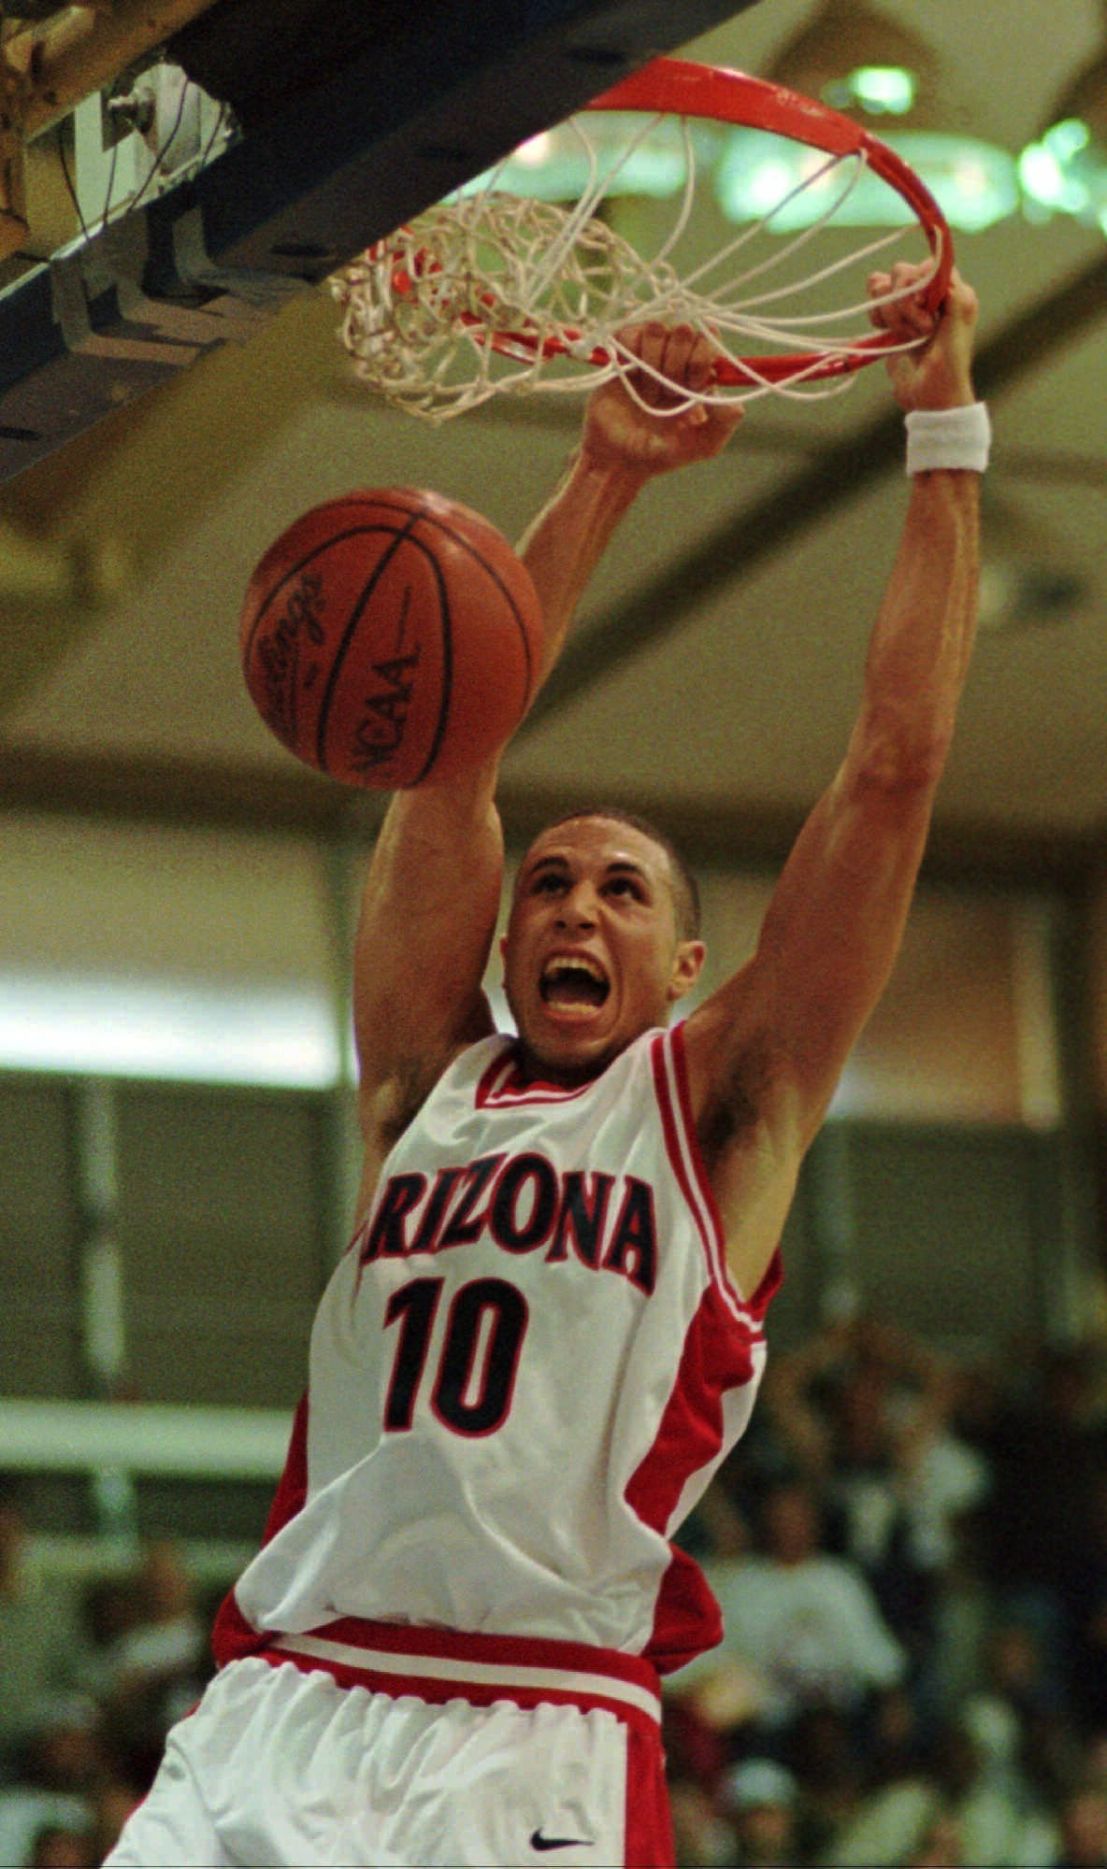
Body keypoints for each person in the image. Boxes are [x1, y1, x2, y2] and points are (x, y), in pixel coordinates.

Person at [105, 260, 986, 1869]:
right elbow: (452, 756)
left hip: (536, 1725)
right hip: (290, 1697)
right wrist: (604, 474)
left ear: (687, 969)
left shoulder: (727, 1106)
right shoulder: (420, 1087)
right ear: (510, 947)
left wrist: (945, 440)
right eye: (550, 885)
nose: (573, 901)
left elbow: (894, 766)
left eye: (621, 888)